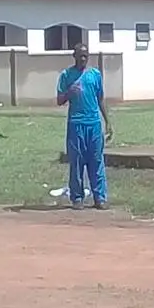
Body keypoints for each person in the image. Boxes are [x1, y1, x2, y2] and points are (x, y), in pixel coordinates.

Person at [55, 44, 113, 210]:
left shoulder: (95, 75)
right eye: (80, 56)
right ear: (74, 56)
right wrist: (69, 93)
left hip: (93, 124)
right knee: (77, 162)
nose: (83, 59)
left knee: (96, 161)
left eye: (85, 56)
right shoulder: (67, 75)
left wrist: (107, 121)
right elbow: (59, 100)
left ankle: (99, 198)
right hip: (76, 124)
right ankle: (77, 197)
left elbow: (100, 98)